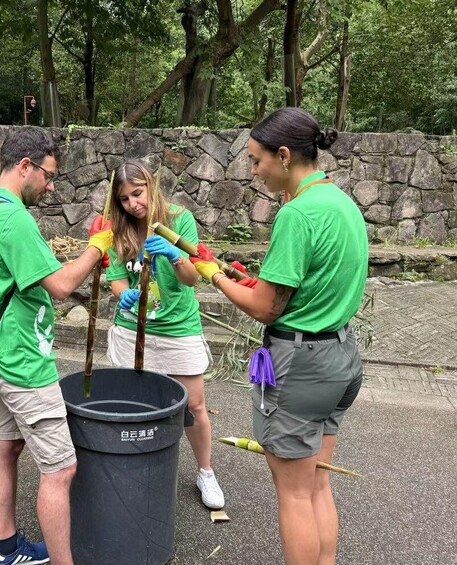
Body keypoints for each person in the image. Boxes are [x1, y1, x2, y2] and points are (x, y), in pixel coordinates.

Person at [191, 107, 368, 565]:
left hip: (300, 365)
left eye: (257, 161)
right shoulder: (341, 203)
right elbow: (305, 285)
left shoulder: (297, 214)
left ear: (285, 156)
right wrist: (251, 279)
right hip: (341, 356)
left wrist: (213, 274)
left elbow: (267, 308)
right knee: (316, 482)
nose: (254, 172)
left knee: (292, 495)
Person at [0, 126, 114, 565]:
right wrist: (95, 249)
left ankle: (7, 548)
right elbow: (60, 285)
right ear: (24, 166)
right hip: (24, 363)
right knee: (61, 469)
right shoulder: (13, 219)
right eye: (49, 176)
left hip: (0, 351)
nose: (51, 187)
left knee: (6, 446)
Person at [103, 160, 225, 510]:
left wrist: (175, 255)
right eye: (124, 199)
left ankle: (205, 471)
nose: (133, 204)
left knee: (194, 405)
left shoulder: (178, 220)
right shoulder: (119, 229)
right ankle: (133, 466)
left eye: (137, 194)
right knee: (132, 405)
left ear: (151, 187)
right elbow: (116, 279)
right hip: (132, 330)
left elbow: (193, 278)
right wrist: (122, 296)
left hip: (177, 328)